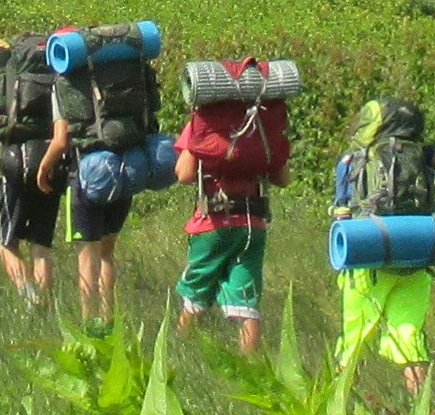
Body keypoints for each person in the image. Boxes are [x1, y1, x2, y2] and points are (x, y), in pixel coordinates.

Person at [327, 92, 435, 401]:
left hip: (367, 258)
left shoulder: (352, 159)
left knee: (354, 341)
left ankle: (341, 411)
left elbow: (342, 210)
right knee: (409, 337)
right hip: (417, 254)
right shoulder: (425, 153)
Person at [46, 22, 165, 325]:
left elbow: (61, 141)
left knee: (87, 252)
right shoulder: (128, 70)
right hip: (129, 164)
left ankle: (89, 322)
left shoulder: (65, 84)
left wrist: (44, 169)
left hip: (88, 173)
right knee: (107, 252)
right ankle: (108, 316)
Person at [173, 64, 294, 353]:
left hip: (212, 224)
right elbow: (283, 178)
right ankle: (248, 369)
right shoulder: (263, 122)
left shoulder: (203, 124)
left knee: (195, 292)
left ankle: (180, 352)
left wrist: (198, 145)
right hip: (253, 224)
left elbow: (184, 175)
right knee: (246, 302)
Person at [0, 33, 64, 309]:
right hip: (50, 164)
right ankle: (46, 304)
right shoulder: (57, 85)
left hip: (15, 163)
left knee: (8, 243)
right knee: (40, 245)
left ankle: (29, 297)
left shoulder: (5, 91)